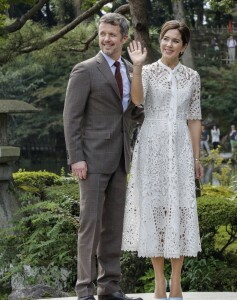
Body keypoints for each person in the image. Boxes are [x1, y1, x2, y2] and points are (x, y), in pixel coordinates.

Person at [63, 13, 143, 300]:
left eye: (112, 34)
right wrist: (77, 158)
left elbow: (133, 112)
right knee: (90, 225)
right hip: (92, 160)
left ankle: (109, 287)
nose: (106, 39)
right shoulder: (84, 70)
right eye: (102, 33)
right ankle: (84, 290)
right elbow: (71, 118)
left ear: (124, 38)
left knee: (113, 227)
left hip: (121, 157)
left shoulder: (129, 69)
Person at [121, 20, 203, 300]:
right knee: (154, 210)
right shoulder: (147, 71)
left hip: (180, 147)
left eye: (175, 41)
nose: (169, 44)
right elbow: (136, 100)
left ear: (184, 47)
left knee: (178, 210)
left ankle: (176, 283)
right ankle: (158, 283)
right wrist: (138, 66)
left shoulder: (192, 77)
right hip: (152, 145)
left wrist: (196, 157)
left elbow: (194, 118)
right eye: (165, 39)